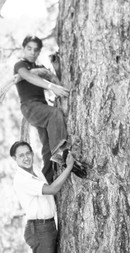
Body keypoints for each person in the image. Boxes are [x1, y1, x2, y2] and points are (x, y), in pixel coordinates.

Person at [13, 35, 85, 182]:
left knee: (47, 147)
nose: (32, 52)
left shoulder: (40, 68)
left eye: (36, 50)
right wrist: (51, 86)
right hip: (30, 107)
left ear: (39, 52)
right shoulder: (20, 65)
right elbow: (27, 76)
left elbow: (55, 79)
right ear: (23, 49)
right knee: (55, 114)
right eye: (29, 49)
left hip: (41, 106)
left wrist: (57, 69)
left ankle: (47, 181)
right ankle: (62, 154)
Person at [10, 140, 74, 253]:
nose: (26, 158)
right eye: (21, 156)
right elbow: (51, 189)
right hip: (39, 229)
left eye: (28, 153)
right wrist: (69, 168)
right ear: (15, 159)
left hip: (49, 226)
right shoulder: (22, 179)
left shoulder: (35, 170)